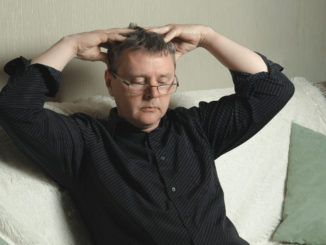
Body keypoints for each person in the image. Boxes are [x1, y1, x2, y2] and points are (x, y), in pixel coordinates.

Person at [0, 23, 295, 245]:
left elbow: (274, 89)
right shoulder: (85, 143)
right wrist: (71, 45)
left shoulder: (197, 128)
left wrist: (207, 37)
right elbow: (15, 108)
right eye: (138, 81)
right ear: (110, 82)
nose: (153, 94)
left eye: (164, 81)